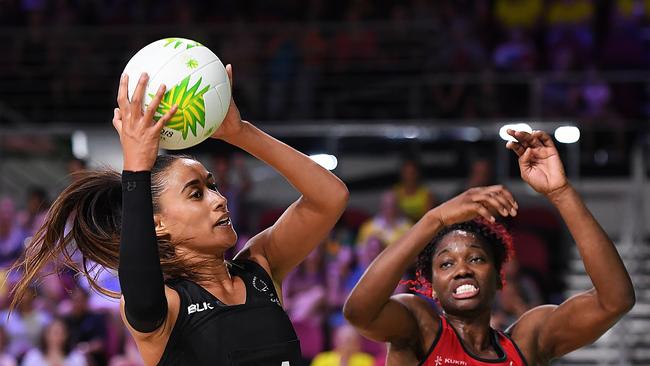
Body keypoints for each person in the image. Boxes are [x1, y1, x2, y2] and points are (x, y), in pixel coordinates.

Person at [10, 65, 349, 366]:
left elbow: (330, 197)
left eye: (213, 186)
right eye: (196, 193)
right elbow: (139, 277)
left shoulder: (259, 266)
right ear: (157, 224)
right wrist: (137, 170)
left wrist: (241, 133)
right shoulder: (166, 305)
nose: (219, 200)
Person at [343, 129, 635, 365]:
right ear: (430, 286)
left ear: (498, 278)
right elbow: (359, 311)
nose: (462, 270)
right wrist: (434, 218)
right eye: (446, 263)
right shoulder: (421, 328)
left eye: (476, 259)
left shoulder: (527, 342)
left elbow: (615, 301)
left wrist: (560, 193)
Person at [21, 318, 87, 366]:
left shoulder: (76, 358)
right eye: (55, 332)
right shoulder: (33, 357)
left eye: (62, 333)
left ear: (66, 336)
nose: (58, 336)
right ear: (45, 335)